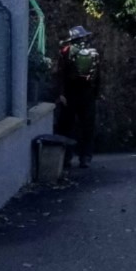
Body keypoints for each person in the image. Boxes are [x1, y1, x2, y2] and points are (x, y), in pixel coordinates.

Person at [53, 24, 101, 169]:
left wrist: (60, 93)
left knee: (66, 126)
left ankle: (66, 158)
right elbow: (98, 75)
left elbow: (60, 73)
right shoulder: (93, 52)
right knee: (87, 127)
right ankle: (85, 157)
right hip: (88, 93)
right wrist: (97, 93)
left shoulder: (65, 52)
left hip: (70, 93)